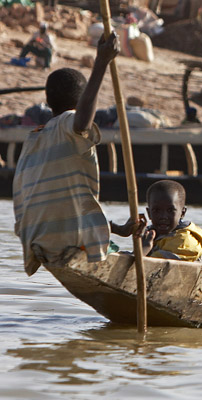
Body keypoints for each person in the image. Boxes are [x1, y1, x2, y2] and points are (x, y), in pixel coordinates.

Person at [12, 32, 120, 275]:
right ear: (82, 102)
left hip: (36, 240)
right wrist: (101, 63)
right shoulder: (69, 123)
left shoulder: (34, 137)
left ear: (48, 101)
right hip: (72, 240)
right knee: (123, 251)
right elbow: (81, 122)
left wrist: (116, 227)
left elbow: (60, 205)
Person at [112, 180, 202, 264]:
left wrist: (143, 249)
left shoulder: (184, 242)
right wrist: (118, 230)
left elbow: (144, 268)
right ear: (149, 213)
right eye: (156, 210)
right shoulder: (151, 233)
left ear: (182, 213)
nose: (163, 217)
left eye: (170, 210)